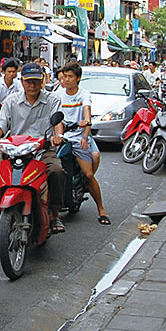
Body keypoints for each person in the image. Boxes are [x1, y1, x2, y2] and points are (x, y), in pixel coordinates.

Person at [0, 62, 67, 255]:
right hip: (14, 153)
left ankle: (54, 213)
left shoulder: (52, 99)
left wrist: (58, 136)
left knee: (56, 171)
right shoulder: (11, 101)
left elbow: (58, 122)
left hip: (42, 151)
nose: (32, 85)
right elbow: (1, 124)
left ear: (42, 82)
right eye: (28, 81)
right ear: (22, 82)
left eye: (36, 82)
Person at [54, 62, 110, 225]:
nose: (66, 80)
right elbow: (56, 116)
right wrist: (58, 134)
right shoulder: (58, 94)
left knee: (89, 174)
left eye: (70, 76)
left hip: (79, 138)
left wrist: (85, 135)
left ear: (78, 78)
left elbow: (87, 114)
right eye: (65, 76)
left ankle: (101, 209)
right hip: (63, 137)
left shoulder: (84, 94)